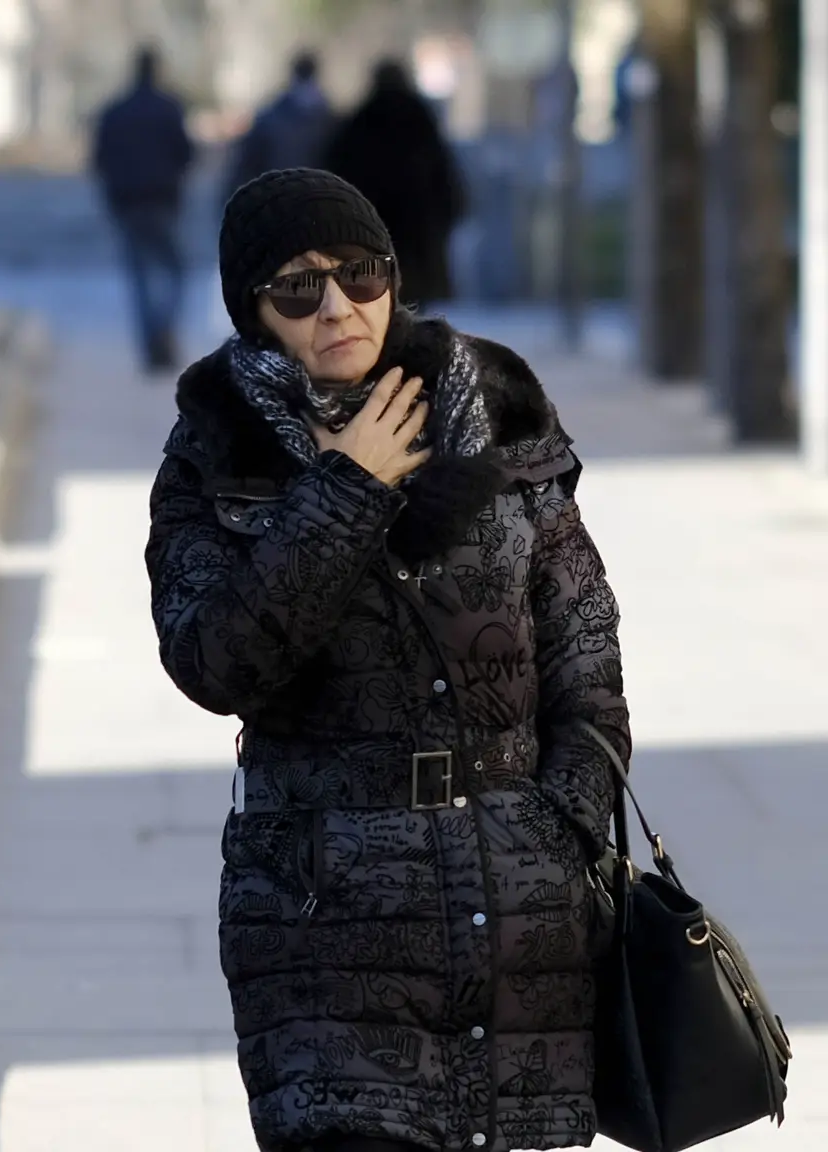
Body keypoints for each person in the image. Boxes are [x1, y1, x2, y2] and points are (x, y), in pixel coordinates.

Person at [145, 168, 626, 1152]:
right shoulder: (217, 451)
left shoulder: (500, 411)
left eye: (360, 274)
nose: (338, 308)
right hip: (323, 923)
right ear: (252, 310)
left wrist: (560, 830)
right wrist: (346, 487)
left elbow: (585, 651)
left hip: (518, 915)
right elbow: (214, 662)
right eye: (298, 288)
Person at [321, 59, 467, 308]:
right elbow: (442, 173)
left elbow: (338, 170)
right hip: (417, 227)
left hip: (372, 224)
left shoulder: (361, 121)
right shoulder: (420, 120)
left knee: (376, 292)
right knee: (416, 298)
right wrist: (449, 212)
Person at [90, 46, 197, 374]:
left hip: (128, 202)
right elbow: (186, 154)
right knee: (175, 272)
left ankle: (152, 340)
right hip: (162, 200)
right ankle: (162, 330)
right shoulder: (169, 109)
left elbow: (100, 159)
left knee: (140, 276)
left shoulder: (115, 111)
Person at [226, 52, 334, 197]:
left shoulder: (270, 116)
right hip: (318, 200)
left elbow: (247, 165)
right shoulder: (330, 120)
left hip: (278, 198)